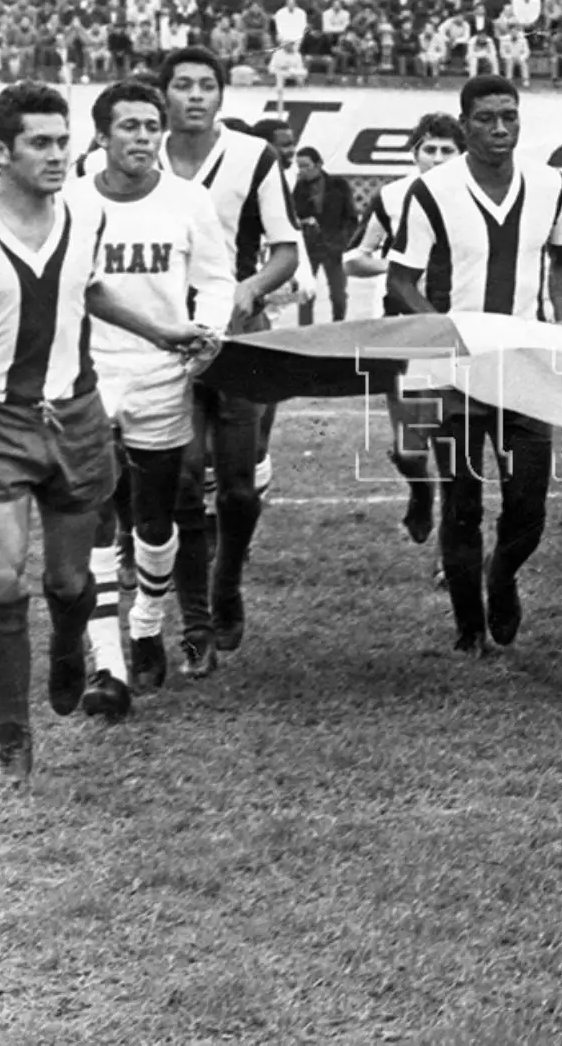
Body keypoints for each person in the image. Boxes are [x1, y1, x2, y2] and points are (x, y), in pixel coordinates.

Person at [0, 81, 210, 785]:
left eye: (64, 140)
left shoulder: (84, 218)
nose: (60, 154)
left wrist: (162, 328)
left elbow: (87, 290)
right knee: (2, 578)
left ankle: (67, 640)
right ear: (1, 151)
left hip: (76, 417)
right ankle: (12, 732)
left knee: (68, 578)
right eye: (41, 142)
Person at [385, 76, 562, 654]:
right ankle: (469, 624)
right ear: (464, 122)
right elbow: (400, 281)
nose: (500, 129)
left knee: (529, 505)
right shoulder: (431, 191)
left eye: (509, 117)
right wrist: (447, 335)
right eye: (487, 118)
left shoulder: (552, 186)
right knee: (462, 501)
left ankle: (502, 574)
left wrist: (561, 321)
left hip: (522, 367)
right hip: (451, 374)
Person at [70, 79, 233, 716]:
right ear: (103, 135)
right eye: (129, 127)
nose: (142, 138)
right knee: (94, 512)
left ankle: (147, 617)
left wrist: (209, 336)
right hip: (89, 372)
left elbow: (215, 281)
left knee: (156, 519)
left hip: (163, 372)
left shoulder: (188, 202)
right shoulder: (76, 201)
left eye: (150, 126)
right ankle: (108, 659)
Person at [157, 46, 303, 678]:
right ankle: (195, 624)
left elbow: (286, 251)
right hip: (164, 337)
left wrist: (249, 290)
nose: (195, 95)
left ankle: (228, 582)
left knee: (239, 487)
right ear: (164, 94)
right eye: (183, 85)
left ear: (221, 96)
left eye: (206, 86)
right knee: (186, 479)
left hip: (241, 336)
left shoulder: (253, 156)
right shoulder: (141, 157)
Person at [342, 112, 468, 548]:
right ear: (414, 154)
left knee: (454, 449)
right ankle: (419, 489)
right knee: (411, 448)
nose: (436, 158)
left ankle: (450, 555)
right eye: (428, 149)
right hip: (406, 331)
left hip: (461, 334)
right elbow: (354, 258)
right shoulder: (393, 197)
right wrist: (396, 266)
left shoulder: (478, 197)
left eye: (446, 150)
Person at [292, 146, 358, 325]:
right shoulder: (298, 188)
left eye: (306, 166)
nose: (303, 171)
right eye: (299, 166)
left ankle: (339, 325)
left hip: (334, 246)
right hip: (309, 247)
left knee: (338, 293)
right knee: (306, 292)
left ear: (318, 164)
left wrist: (344, 241)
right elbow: (293, 216)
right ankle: (304, 330)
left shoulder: (339, 185)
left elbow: (351, 217)